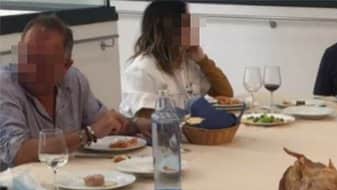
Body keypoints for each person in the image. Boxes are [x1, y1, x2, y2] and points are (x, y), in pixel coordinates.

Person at [0, 15, 144, 169]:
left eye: (42, 62)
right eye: (26, 56)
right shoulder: (5, 85)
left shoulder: (74, 80)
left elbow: (103, 125)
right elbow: (17, 153)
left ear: (66, 65)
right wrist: (88, 134)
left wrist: (136, 125)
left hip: (68, 179)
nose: (30, 67)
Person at [121, 0, 233, 119]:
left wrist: (203, 61)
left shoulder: (189, 60)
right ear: (168, 31)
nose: (194, 29)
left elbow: (226, 93)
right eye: (188, 23)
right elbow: (149, 121)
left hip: (190, 134)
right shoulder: (141, 70)